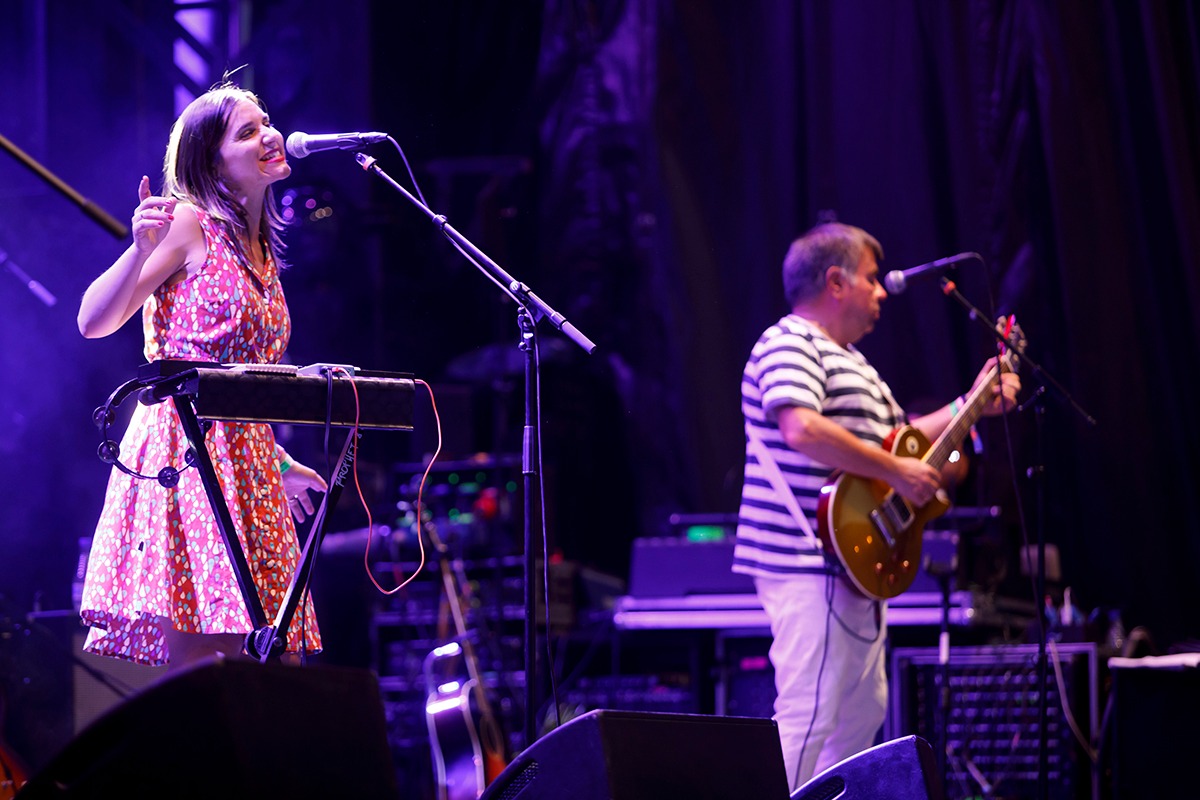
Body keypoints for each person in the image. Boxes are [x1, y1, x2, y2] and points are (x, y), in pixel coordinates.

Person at [732, 222, 1020, 790]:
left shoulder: (856, 364)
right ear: (835, 282)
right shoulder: (790, 341)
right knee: (808, 716)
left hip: (851, 568)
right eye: (871, 278)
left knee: (860, 718)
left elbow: (903, 441)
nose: (882, 291)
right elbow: (801, 428)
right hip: (807, 560)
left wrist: (971, 404)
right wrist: (895, 472)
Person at [76, 83, 327, 670]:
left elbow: (242, 378)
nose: (269, 135)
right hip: (187, 453)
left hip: (249, 459)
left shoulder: (258, 245)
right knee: (210, 658)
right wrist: (139, 250)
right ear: (211, 162)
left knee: (274, 658)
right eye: (247, 132)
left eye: (266, 122)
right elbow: (93, 321)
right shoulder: (190, 223)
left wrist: (278, 464)